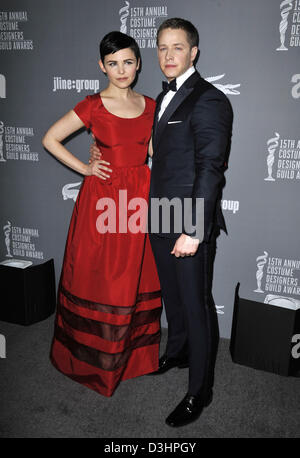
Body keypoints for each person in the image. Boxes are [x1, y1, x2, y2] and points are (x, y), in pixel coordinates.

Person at [90, 18, 233, 426]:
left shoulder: (209, 99)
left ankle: (200, 390)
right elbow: (146, 149)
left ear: (194, 52)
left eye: (177, 47)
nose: (169, 56)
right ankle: (180, 351)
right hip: (159, 215)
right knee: (173, 298)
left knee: (196, 302)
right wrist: (99, 152)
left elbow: (210, 168)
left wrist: (193, 228)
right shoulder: (161, 97)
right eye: (162, 48)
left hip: (188, 220)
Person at [42, 31, 162, 398]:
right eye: (113, 63)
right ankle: (91, 361)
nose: (121, 69)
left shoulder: (152, 105)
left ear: (138, 63)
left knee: (134, 276)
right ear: (102, 66)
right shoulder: (92, 104)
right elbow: (50, 139)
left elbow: (153, 151)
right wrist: (86, 168)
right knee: (101, 277)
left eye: (127, 61)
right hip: (102, 199)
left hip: (138, 196)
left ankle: (135, 359)